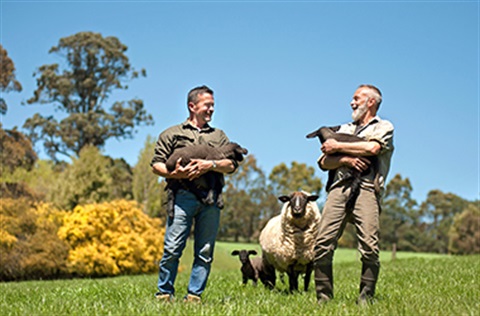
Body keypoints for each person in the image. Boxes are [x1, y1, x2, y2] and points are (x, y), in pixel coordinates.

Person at [150, 85, 239, 303]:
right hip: (182, 197)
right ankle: (164, 294)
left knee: (205, 251)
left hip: (211, 198)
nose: (211, 110)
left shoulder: (219, 136)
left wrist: (211, 164)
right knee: (172, 248)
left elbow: (231, 164)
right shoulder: (172, 134)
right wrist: (175, 173)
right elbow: (156, 165)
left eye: (213, 106)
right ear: (192, 106)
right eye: (207, 105)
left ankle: (194, 296)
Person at [313, 84, 394, 305]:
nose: (352, 102)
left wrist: (337, 146)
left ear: (371, 102)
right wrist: (346, 160)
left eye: (357, 98)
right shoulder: (344, 128)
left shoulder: (384, 127)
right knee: (322, 243)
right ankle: (323, 298)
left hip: (367, 189)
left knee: (369, 246)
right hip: (339, 188)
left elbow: (373, 149)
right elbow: (323, 162)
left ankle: (365, 297)